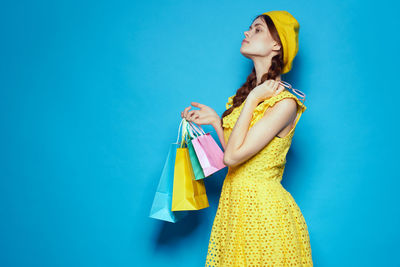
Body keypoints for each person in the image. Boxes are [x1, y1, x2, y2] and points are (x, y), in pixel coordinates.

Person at [181, 10, 313, 266]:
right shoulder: (244, 100)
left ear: (277, 44)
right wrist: (217, 123)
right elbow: (236, 154)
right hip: (236, 210)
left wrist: (254, 98)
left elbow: (231, 158)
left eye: (258, 29)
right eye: (249, 27)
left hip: (264, 214)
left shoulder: (284, 104)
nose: (247, 32)